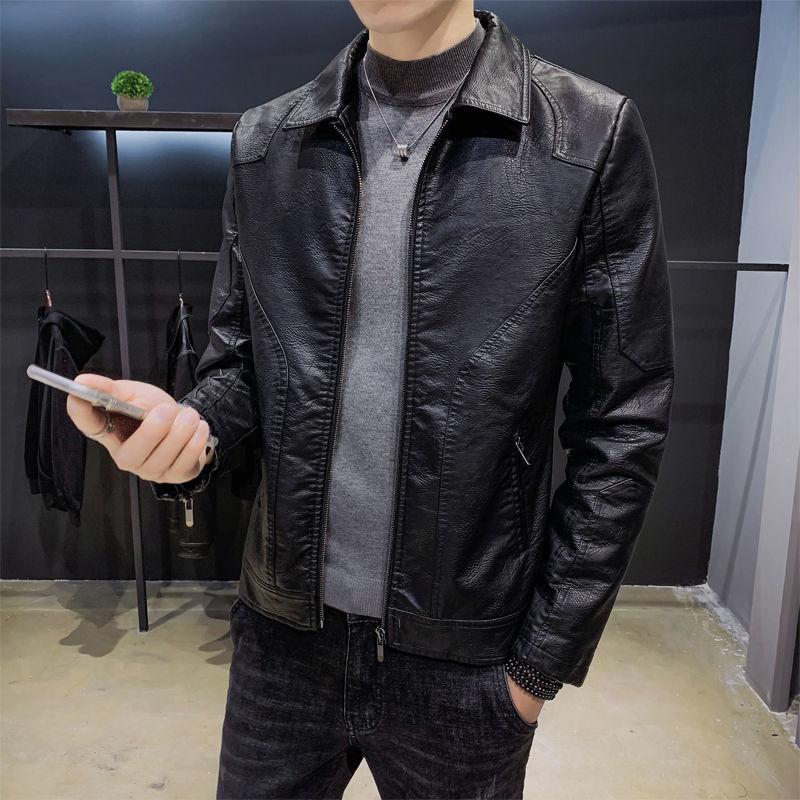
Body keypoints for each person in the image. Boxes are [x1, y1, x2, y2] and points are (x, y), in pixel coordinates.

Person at [67, 2, 675, 797]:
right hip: (282, 645)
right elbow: (241, 367)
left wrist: (537, 668)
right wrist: (187, 432)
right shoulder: (268, 140)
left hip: (467, 664)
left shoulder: (586, 136)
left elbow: (623, 419)